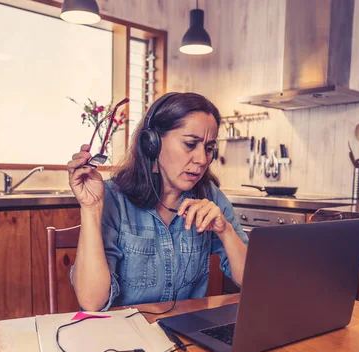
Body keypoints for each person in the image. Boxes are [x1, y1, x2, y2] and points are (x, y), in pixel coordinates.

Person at [67, 92, 249, 311]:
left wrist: (226, 231)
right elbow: (91, 302)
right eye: (190, 144)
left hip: (185, 334)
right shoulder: (113, 199)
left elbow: (252, 281)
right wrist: (91, 208)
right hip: (125, 337)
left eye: (209, 148)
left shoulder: (211, 196)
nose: (202, 160)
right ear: (152, 143)